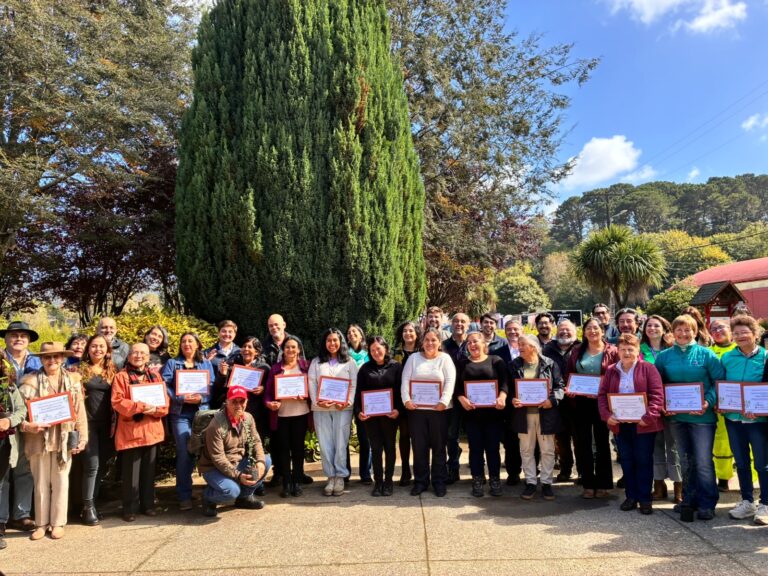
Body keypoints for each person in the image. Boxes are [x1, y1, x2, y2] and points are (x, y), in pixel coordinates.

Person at [654, 314, 724, 521]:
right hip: (677, 417)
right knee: (685, 460)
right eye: (679, 330)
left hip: (702, 418)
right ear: (673, 332)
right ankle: (689, 499)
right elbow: (658, 385)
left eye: (688, 330)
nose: (683, 334)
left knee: (703, 461)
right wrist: (664, 405)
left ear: (695, 332)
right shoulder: (664, 357)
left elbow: (718, 381)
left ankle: (707, 503)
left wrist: (707, 402)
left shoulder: (706, 355)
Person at [18, 342, 88, 541]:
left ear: (63, 358)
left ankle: (57, 523)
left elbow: (80, 411)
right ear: (41, 359)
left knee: (61, 481)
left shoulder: (73, 380)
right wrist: (27, 426)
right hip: (38, 437)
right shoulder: (29, 382)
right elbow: (19, 413)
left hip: (64, 437)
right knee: (40, 482)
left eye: (56, 357)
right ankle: (41, 524)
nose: (52, 361)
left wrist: (82, 437)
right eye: (47, 357)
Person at [598, 334, 664, 514]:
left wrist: (649, 417)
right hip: (620, 424)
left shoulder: (648, 368)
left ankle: (644, 498)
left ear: (637, 351)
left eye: (630, 349)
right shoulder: (611, 370)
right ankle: (631, 496)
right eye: (623, 349)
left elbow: (658, 395)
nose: (627, 353)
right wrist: (606, 415)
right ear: (617, 351)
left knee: (643, 460)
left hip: (643, 425)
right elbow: (602, 396)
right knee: (626, 460)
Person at [111, 343, 169, 522]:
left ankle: (148, 505)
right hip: (132, 432)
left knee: (149, 472)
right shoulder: (121, 377)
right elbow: (117, 401)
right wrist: (142, 407)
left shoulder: (155, 376)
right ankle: (129, 508)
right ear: (128, 357)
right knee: (131, 474)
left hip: (151, 431)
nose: (138, 356)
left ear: (148, 356)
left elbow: (165, 403)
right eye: (135, 353)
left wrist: (155, 410)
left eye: (143, 353)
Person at [565, 317, 619, 498]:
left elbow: (618, 375)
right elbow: (570, 374)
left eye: (596, 328)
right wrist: (569, 388)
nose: (592, 331)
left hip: (602, 403)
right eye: (589, 328)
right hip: (580, 403)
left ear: (602, 331)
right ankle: (588, 483)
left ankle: (603, 483)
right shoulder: (577, 351)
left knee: (602, 442)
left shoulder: (612, 351)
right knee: (583, 443)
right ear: (584, 331)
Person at [722, 316, 768, 524]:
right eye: (736, 333)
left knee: (762, 463)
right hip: (733, 418)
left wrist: (760, 410)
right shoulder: (727, 358)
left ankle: (765, 504)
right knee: (740, 462)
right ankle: (747, 501)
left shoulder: (766, 357)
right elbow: (720, 385)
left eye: (744, 332)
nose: (740, 336)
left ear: (755, 334)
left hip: (758, 422)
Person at [198, 386, 270, 517]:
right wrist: (238, 476)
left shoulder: (248, 418)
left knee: (267, 460)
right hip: (213, 468)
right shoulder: (216, 425)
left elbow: (256, 442)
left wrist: (260, 462)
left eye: (242, 401)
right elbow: (218, 459)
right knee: (230, 491)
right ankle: (208, 497)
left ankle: (244, 498)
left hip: (237, 461)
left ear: (247, 402)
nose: (238, 405)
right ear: (227, 402)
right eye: (234, 402)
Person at [162, 333, 214, 511]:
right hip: (180, 414)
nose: (187, 344)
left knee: (206, 452)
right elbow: (164, 385)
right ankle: (184, 495)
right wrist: (180, 398)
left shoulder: (205, 363)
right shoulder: (172, 363)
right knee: (184, 452)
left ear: (198, 344)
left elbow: (212, 386)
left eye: (190, 341)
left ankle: (211, 492)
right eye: (183, 341)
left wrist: (200, 398)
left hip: (202, 413)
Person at [401, 327, 456, 497]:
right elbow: (405, 381)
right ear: (422, 342)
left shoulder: (445, 359)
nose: (430, 343)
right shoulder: (413, 359)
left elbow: (449, 381)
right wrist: (406, 400)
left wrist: (444, 401)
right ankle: (421, 481)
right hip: (416, 411)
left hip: (439, 410)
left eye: (433, 340)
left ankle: (439, 481)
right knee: (419, 447)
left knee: (439, 447)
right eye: (427, 340)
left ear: (439, 342)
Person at [509, 334, 563, 500]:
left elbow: (560, 386)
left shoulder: (549, 363)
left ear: (533, 346)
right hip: (523, 415)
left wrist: (552, 401)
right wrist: (513, 399)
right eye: (519, 344)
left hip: (545, 414)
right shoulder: (514, 365)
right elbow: (510, 388)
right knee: (526, 450)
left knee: (547, 450)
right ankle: (531, 482)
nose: (520, 347)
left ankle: (546, 483)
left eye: (523, 344)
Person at [455, 332, 508, 497]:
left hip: (493, 414)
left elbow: (505, 383)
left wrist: (502, 397)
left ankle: (494, 479)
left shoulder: (496, 361)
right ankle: (477, 479)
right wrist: (461, 398)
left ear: (484, 343)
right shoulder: (462, 363)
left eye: (475, 341)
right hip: (472, 415)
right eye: (469, 342)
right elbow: (456, 386)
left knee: (493, 448)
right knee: (475, 449)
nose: (472, 345)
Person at [0, 321, 41, 534]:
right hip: (5, 423)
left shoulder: (37, 360)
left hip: (32, 423)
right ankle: (1, 518)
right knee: (3, 471)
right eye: (14, 335)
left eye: (23, 336)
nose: (18, 339)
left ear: (28, 340)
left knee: (25, 469)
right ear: (6, 338)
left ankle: (22, 514)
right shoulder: (0, 359)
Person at [308, 329, 358, 497]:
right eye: (329, 340)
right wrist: (318, 401)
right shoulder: (316, 362)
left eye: (335, 340)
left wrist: (347, 401)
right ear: (324, 343)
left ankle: (340, 477)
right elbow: (312, 384)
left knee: (340, 442)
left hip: (342, 409)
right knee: (325, 443)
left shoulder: (349, 362)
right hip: (321, 408)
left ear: (341, 342)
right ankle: (330, 476)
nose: (332, 344)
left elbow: (353, 385)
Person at [354, 336, 403, 496]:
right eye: (372, 350)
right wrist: (359, 411)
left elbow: (402, 391)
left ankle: (388, 482)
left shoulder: (396, 367)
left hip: (390, 416)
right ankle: (378, 482)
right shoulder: (365, 369)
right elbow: (358, 393)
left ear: (386, 349)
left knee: (389, 447)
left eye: (379, 349)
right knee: (375, 449)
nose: (376, 352)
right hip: (371, 418)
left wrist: (398, 410)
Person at [640, 315, 681, 503]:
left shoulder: (674, 350)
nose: (653, 328)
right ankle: (658, 485)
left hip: (673, 404)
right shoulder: (639, 350)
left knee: (673, 446)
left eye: (657, 325)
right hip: (648, 405)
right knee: (655, 446)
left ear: (664, 329)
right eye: (649, 325)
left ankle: (678, 486)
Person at [77, 335, 117, 525]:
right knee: (91, 465)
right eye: (94, 346)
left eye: (102, 346)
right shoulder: (79, 371)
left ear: (108, 350)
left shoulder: (112, 371)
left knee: (101, 466)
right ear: (88, 349)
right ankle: (87, 507)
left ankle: (92, 503)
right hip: (88, 425)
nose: (98, 350)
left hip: (107, 426)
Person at [264, 336, 310, 498]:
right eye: (287, 347)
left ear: (299, 350)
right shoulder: (275, 369)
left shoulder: (306, 367)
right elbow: (268, 393)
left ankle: (297, 482)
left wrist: (306, 396)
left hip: (301, 414)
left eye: (293, 347)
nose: (290, 350)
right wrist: (270, 403)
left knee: (298, 449)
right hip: (282, 415)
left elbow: (313, 390)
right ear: (283, 350)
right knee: (283, 450)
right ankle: (286, 483)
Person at [542, 319, 579, 483]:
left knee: (580, 439)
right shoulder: (548, 349)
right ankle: (565, 469)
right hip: (556, 402)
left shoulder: (581, 347)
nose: (564, 333)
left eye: (568, 330)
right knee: (561, 439)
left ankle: (583, 471)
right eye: (561, 330)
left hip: (578, 401)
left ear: (575, 332)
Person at [0, 349, 27, 550]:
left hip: (3, 442)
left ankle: (0, 526)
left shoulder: (7, 386)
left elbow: (21, 409)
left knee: (1, 483)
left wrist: (9, 420)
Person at [708, 318, 738, 492]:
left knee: (746, 443)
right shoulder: (708, 352)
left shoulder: (741, 349)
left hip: (742, 405)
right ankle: (723, 477)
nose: (717, 331)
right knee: (721, 442)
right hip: (718, 405)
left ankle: (750, 476)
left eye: (721, 327)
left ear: (730, 329)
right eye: (713, 329)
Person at [392, 320, 422, 485]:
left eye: (411, 331)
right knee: (404, 436)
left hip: (421, 400)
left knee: (418, 437)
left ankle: (419, 470)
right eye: (405, 331)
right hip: (400, 400)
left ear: (417, 333)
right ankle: (405, 470)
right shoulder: (395, 352)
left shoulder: (423, 351)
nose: (408, 334)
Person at [442, 313, 471, 485]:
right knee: (451, 435)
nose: (459, 324)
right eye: (456, 321)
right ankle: (453, 468)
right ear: (451, 324)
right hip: (451, 397)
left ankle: (478, 468)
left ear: (468, 325)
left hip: (472, 397)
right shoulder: (444, 345)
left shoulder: (473, 343)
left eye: (462, 321)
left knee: (473, 434)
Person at [346, 324, 372, 485]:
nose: (351, 334)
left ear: (361, 335)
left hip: (364, 400)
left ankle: (365, 473)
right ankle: (345, 472)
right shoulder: (343, 355)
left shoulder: (369, 354)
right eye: (348, 333)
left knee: (365, 438)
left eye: (354, 332)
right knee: (344, 438)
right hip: (346, 398)